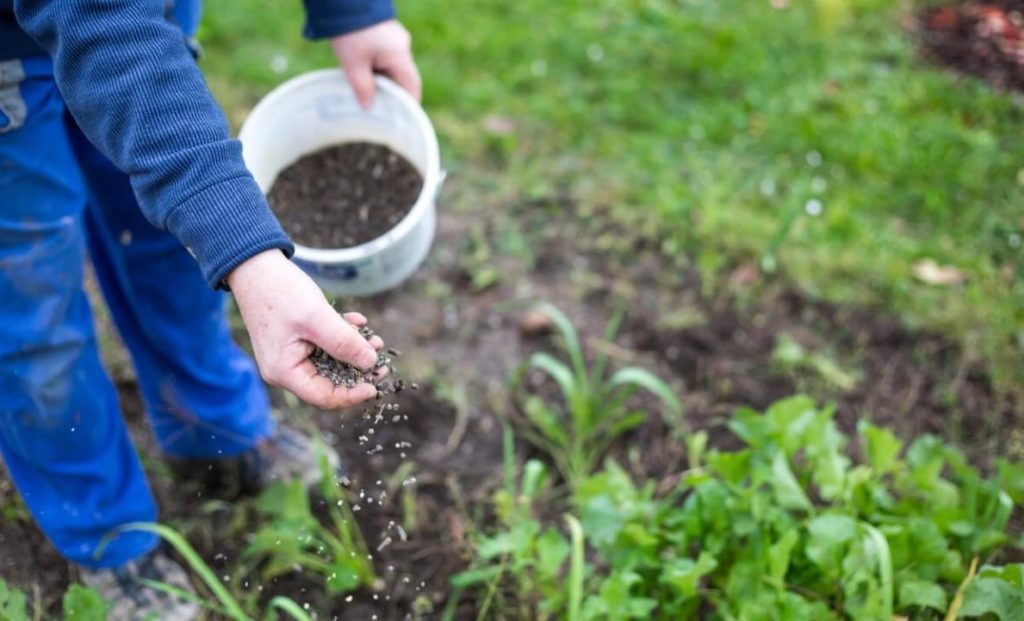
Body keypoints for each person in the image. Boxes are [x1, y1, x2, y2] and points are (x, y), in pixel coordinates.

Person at [0, 0, 421, 617]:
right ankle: (106, 533)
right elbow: (103, 24)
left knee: (170, 242)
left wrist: (351, 11)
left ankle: (213, 429)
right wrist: (248, 254)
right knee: (33, 310)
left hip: (150, 19)